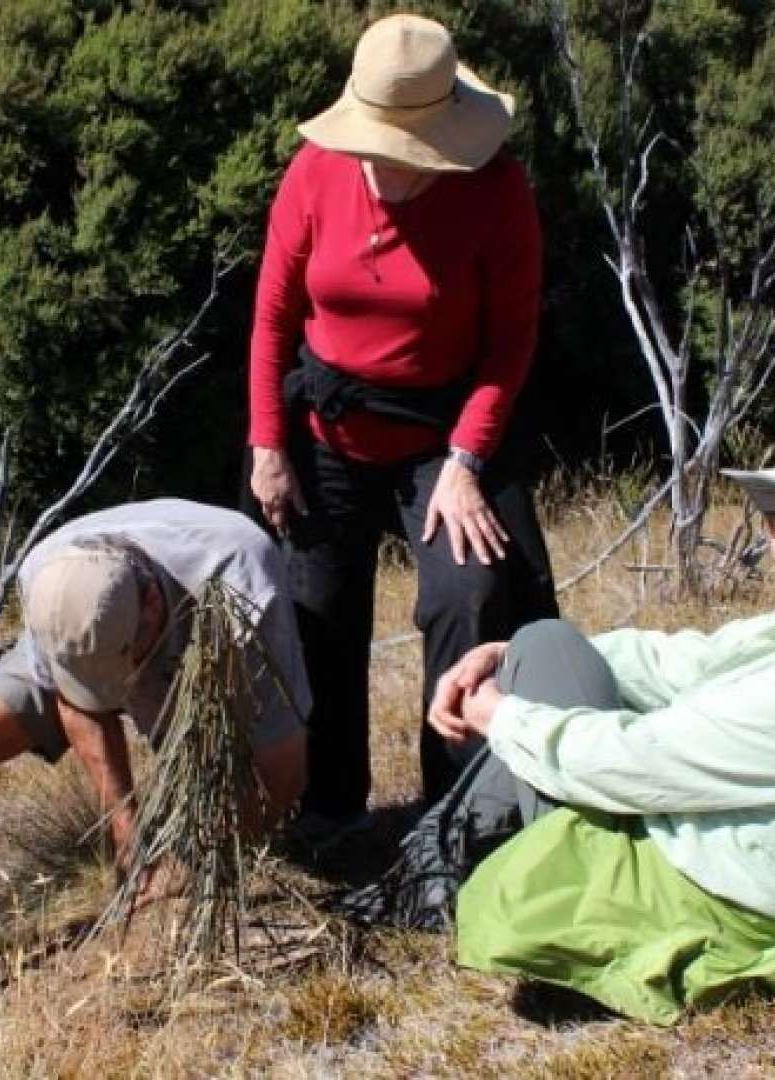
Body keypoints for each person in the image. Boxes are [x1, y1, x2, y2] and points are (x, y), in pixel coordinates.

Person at [344, 427, 775, 1025]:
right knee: (543, 643)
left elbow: (632, 761)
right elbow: (687, 660)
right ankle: (436, 859)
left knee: (545, 713)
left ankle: (432, 873)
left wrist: (498, 714)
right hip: (724, 865)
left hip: (699, 897)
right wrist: (505, 655)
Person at [246, 13, 557, 836]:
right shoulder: (315, 171)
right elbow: (273, 316)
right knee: (315, 607)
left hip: (445, 430)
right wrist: (268, 443)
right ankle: (329, 810)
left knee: (471, 592)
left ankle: (454, 817)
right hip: (327, 424)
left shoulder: (495, 189)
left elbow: (512, 341)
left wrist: (466, 460)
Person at [0, 498, 309, 943]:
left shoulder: (242, 580)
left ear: (152, 603)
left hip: (198, 641)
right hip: (100, 642)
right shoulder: (49, 582)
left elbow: (282, 772)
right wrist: (126, 831)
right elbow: (76, 700)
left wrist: (186, 865)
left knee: (242, 789)